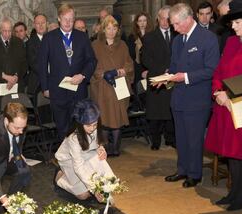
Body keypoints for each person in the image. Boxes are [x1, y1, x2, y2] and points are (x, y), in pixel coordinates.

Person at [204, 0, 242, 211]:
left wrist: (230, 94)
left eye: (237, 22)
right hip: (227, 104)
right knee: (231, 151)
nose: (233, 26)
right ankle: (233, 191)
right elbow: (219, 71)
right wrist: (217, 92)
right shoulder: (230, 42)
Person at [164, 3, 220, 188]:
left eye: (176, 24)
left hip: (197, 98)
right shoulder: (178, 40)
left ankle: (194, 174)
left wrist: (185, 76)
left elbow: (212, 70)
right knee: (181, 138)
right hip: (178, 97)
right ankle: (182, 170)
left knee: (194, 139)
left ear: (188, 19)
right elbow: (173, 66)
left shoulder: (208, 38)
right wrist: (166, 76)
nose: (174, 28)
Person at [38, 3, 96, 141]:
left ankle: (79, 156)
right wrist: (45, 87)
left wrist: (82, 75)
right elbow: (42, 64)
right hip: (58, 90)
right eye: (65, 19)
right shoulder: (49, 38)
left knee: (79, 126)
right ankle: (65, 158)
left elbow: (92, 61)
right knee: (63, 127)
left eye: (71, 19)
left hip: (78, 89)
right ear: (59, 19)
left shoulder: (82, 37)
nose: (68, 22)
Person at [90, 15, 133, 157]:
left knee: (117, 117)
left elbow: (129, 64)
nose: (111, 31)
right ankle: (104, 147)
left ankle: (115, 148)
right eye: (108, 28)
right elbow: (91, 66)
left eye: (114, 28)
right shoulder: (95, 45)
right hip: (102, 87)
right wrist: (103, 74)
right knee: (104, 118)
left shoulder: (123, 45)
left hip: (119, 85)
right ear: (103, 29)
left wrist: (120, 71)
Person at [54, 99, 106, 202]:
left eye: (95, 124)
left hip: (85, 155)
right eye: (88, 125)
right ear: (80, 124)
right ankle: (59, 177)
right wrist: (94, 189)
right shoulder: (73, 138)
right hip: (68, 160)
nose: (92, 128)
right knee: (83, 195)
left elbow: (98, 142)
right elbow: (78, 167)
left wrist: (101, 148)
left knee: (99, 183)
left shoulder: (94, 127)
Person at [141, 6, 176, 150]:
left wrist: (172, 70)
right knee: (156, 113)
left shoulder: (178, 34)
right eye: (162, 18)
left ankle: (170, 138)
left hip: (173, 79)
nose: (165, 22)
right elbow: (145, 59)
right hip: (156, 79)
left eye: (168, 19)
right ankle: (155, 141)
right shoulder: (149, 37)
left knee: (170, 111)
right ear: (157, 19)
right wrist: (163, 71)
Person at [26, 14, 47, 101]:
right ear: (34, 25)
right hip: (37, 83)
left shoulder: (53, 40)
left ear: (47, 24)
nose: (41, 25)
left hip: (53, 82)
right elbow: (33, 64)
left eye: (43, 23)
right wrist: (48, 73)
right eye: (38, 23)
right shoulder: (30, 43)